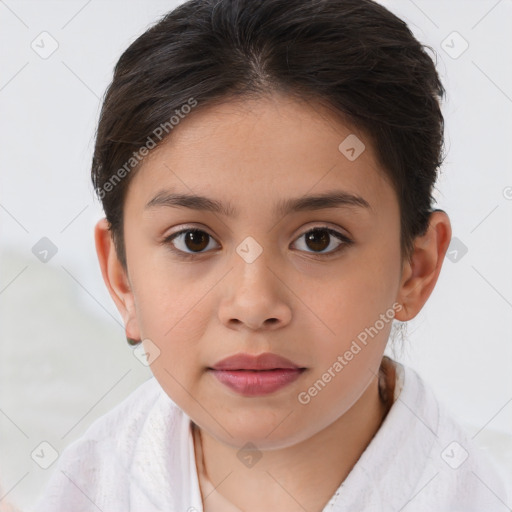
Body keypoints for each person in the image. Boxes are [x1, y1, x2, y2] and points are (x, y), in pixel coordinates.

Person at [32, 0, 510, 510]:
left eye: (319, 239)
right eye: (194, 239)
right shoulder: (83, 488)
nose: (253, 303)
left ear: (416, 270)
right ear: (122, 277)